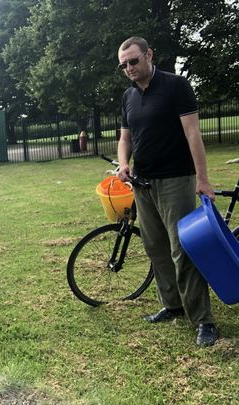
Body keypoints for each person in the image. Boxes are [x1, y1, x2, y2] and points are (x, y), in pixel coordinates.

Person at [116, 36, 218, 346]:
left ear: (149, 55)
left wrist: (202, 179)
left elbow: (193, 133)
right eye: (124, 65)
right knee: (157, 248)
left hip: (176, 180)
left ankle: (204, 321)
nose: (130, 68)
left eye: (134, 61)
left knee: (183, 249)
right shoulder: (128, 97)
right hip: (142, 183)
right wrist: (123, 165)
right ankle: (172, 305)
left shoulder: (176, 86)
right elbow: (125, 139)